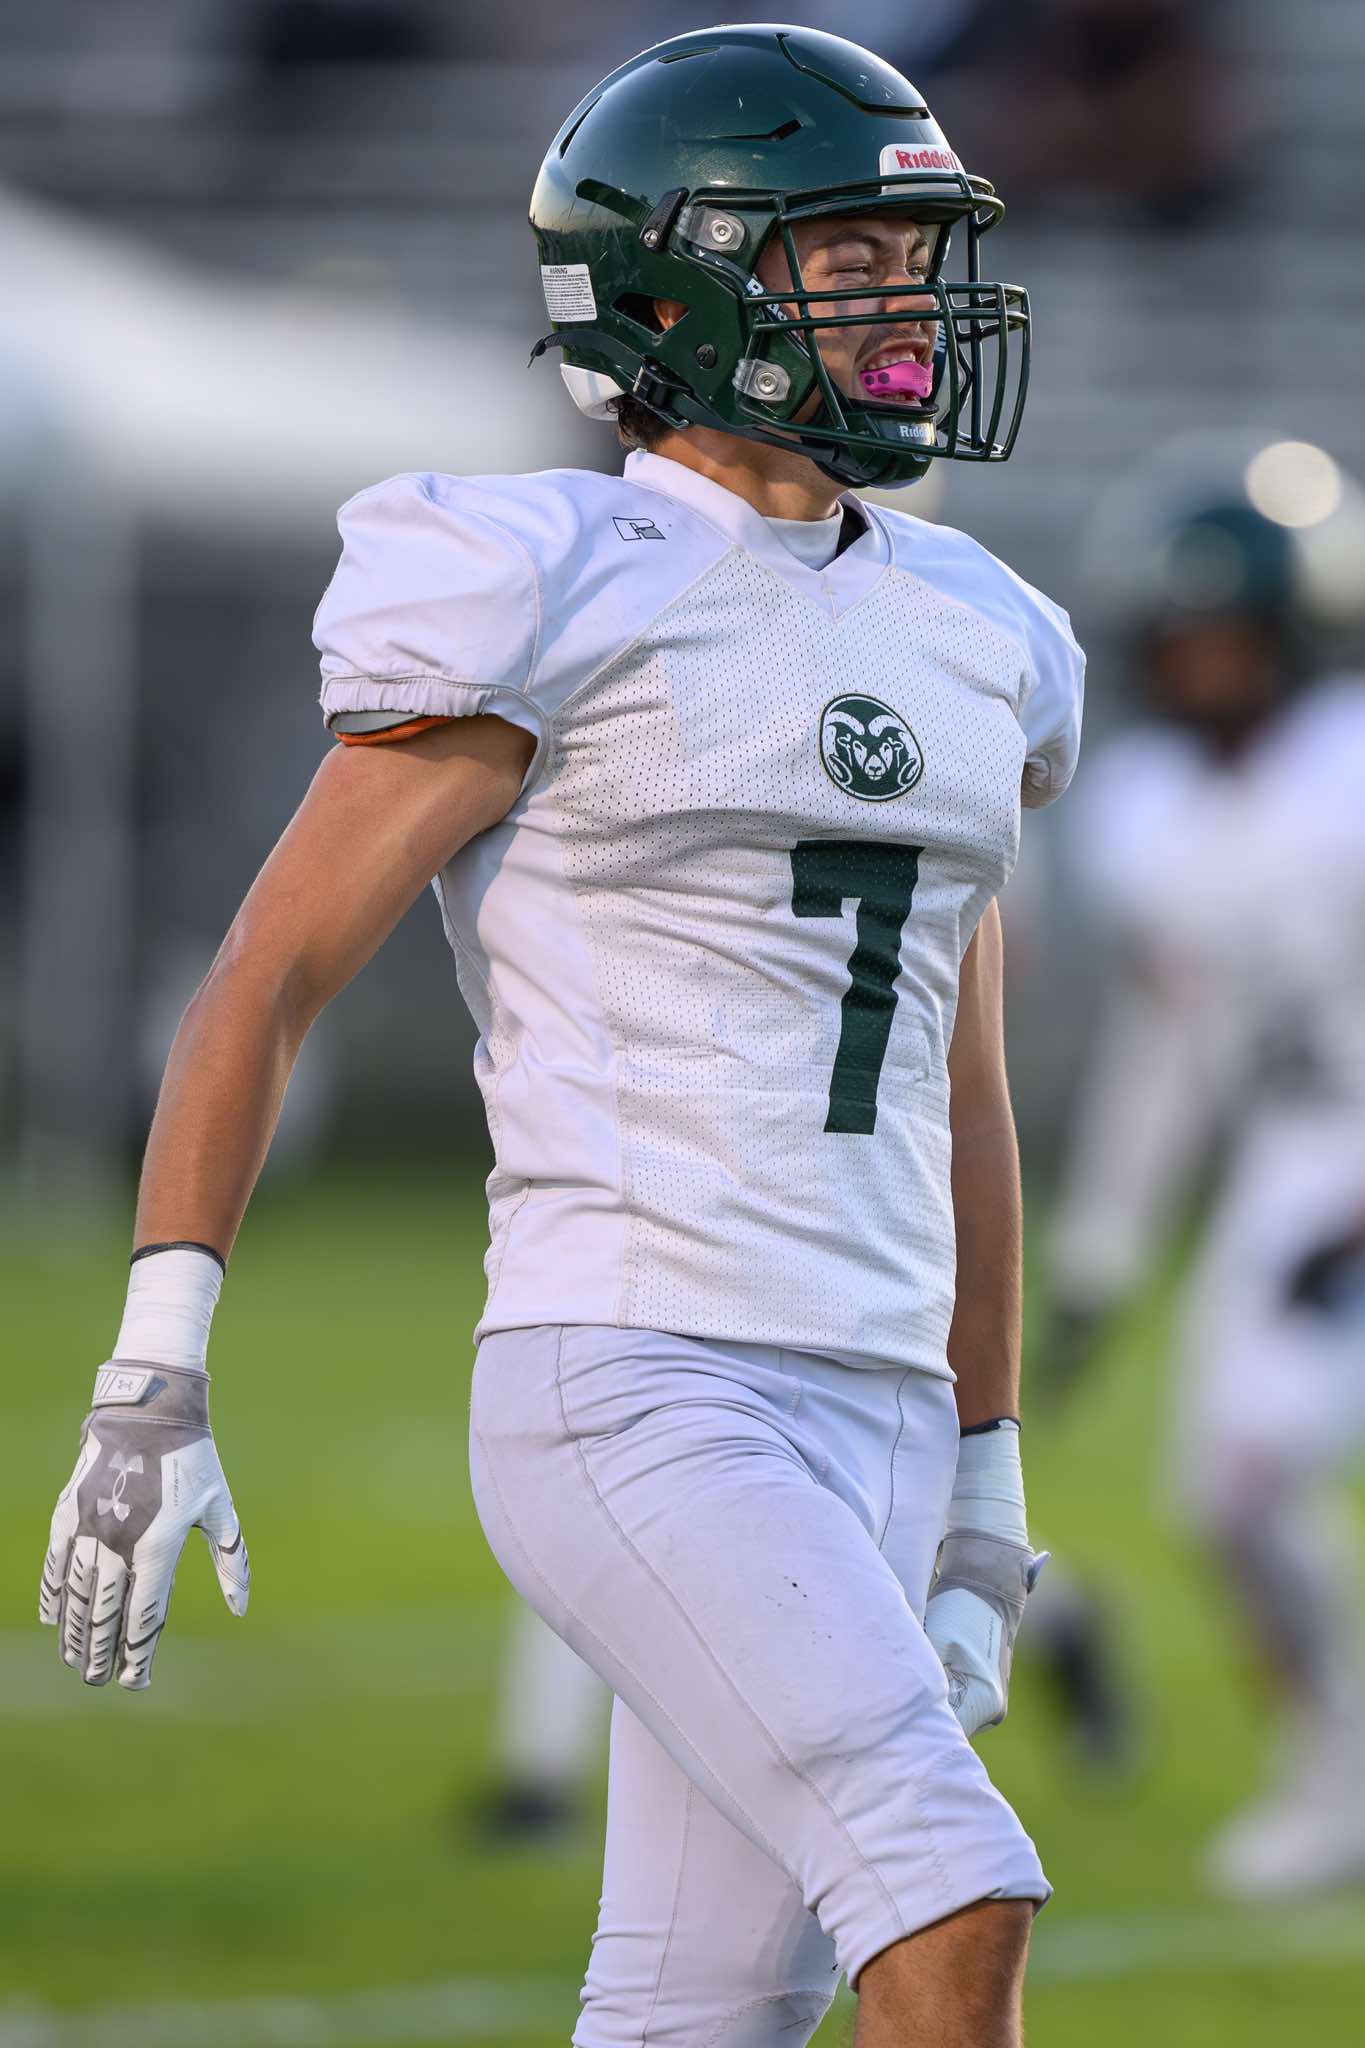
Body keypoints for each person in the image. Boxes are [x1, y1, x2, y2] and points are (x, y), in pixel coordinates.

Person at [40, 26, 1084, 2046]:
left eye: (911, 259)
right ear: (680, 288)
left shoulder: (982, 625)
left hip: (875, 1392)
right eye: (848, 258)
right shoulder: (549, 578)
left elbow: (958, 1087)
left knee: (709, 2010)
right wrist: (152, 1372)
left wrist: (984, 1464)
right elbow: (264, 973)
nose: (905, 307)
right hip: (640, 1370)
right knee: (953, 1900)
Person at [1048, 434, 1365, 1899]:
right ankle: (1336, 1769)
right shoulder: (1144, 812)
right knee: (1227, 1495)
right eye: (1179, 642)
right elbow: (1171, 1048)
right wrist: (1101, 1247)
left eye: (1227, 637)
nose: (1201, 667)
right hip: (1294, 1166)